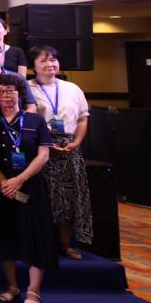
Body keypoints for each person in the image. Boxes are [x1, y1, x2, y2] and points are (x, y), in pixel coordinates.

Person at [0, 73, 57, 303]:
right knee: (6, 236)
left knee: (36, 235)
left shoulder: (35, 120)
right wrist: (3, 180)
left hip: (31, 184)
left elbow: (44, 155)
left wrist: (20, 179)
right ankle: (12, 286)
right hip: (2, 186)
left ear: (19, 93)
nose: (5, 95)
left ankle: (34, 290)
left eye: (10, 90)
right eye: (0, 91)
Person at [28, 45, 93, 259]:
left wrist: (76, 142)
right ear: (33, 65)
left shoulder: (72, 88)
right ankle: (41, 243)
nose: (50, 64)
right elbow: (27, 121)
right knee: (42, 197)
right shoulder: (28, 88)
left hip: (69, 148)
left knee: (70, 197)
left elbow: (82, 119)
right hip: (40, 147)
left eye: (53, 59)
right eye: (43, 60)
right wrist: (46, 142)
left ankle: (65, 243)